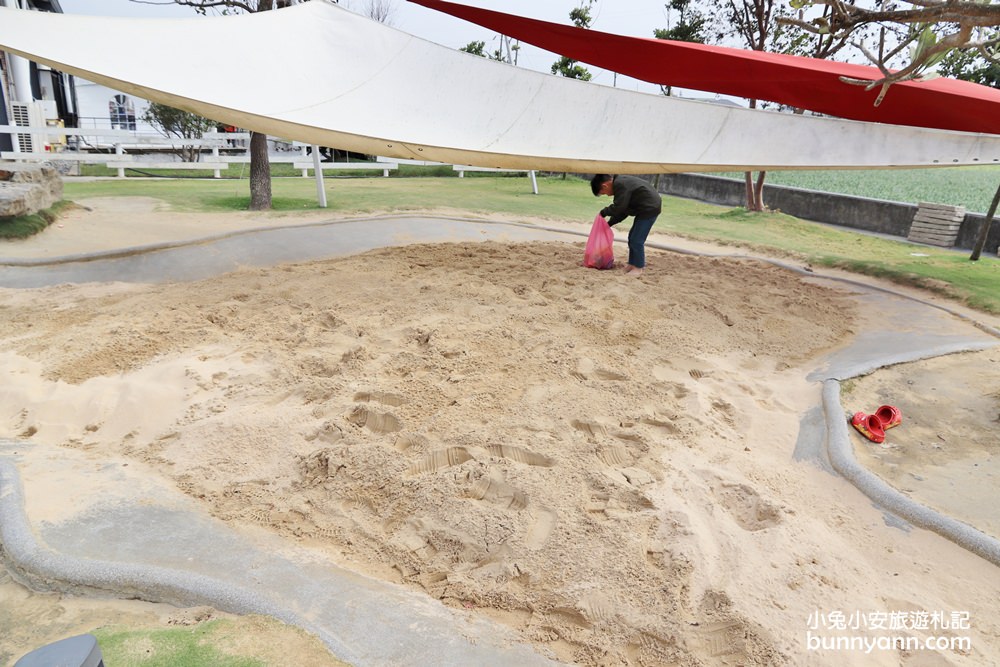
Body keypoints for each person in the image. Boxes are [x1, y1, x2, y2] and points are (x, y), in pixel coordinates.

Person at [590, 174, 662, 276]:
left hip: (649, 208)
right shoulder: (621, 184)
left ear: (605, 186)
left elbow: (619, 207)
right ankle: (632, 264)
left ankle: (638, 268)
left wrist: (604, 212)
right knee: (632, 237)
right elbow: (623, 211)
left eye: (604, 193)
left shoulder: (620, 185)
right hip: (645, 208)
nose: (608, 195)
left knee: (637, 240)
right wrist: (609, 223)